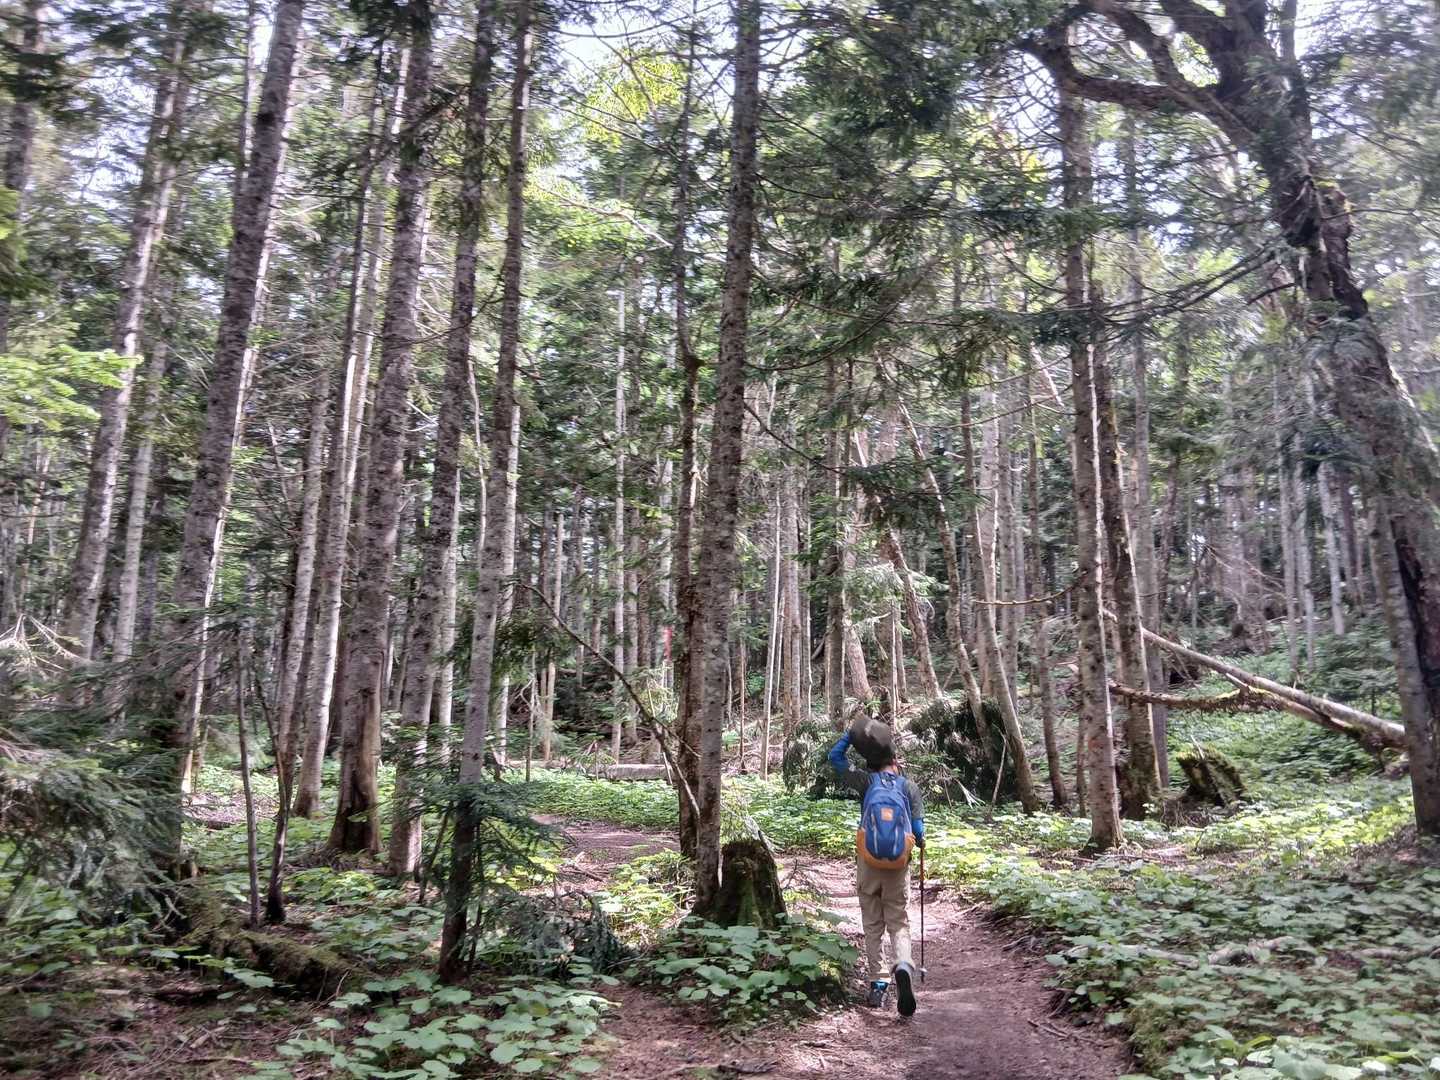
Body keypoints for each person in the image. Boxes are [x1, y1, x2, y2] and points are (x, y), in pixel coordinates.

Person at [828, 728, 925, 1017]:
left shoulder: (866, 781)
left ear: (871, 762)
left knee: (873, 925)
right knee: (898, 921)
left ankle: (878, 984)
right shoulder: (909, 787)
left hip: (868, 862)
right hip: (897, 865)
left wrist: (850, 734)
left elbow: (835, 758)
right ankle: (903, 964)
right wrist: (920, 841)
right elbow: (918, 830)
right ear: (895, 761)